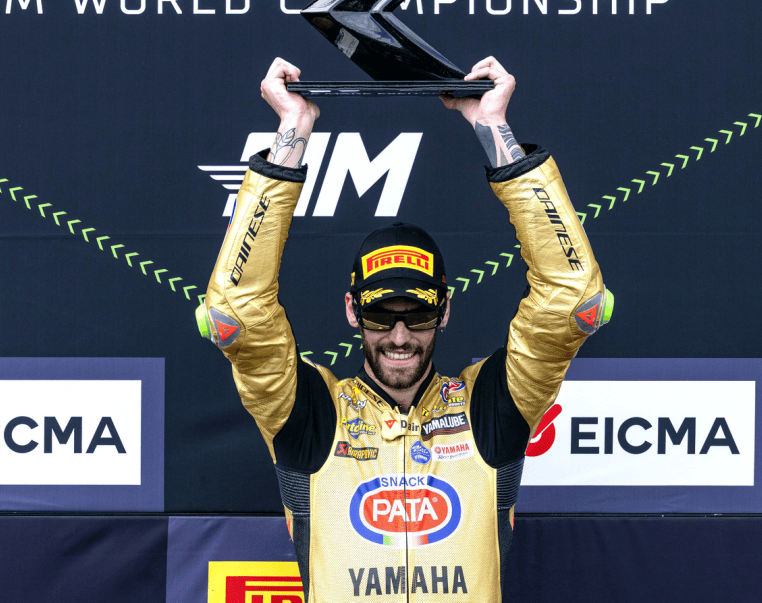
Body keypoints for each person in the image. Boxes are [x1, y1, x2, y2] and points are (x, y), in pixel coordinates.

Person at [201, 56, 609, 602]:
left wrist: (493, 128)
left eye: (416, 315)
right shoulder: (312, 415)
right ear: (353, 311)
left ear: (444, 311)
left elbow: (575, 301)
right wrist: (292, 131)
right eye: (380, 315)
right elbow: (235, 313)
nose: (398, 336)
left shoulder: (489, 406)